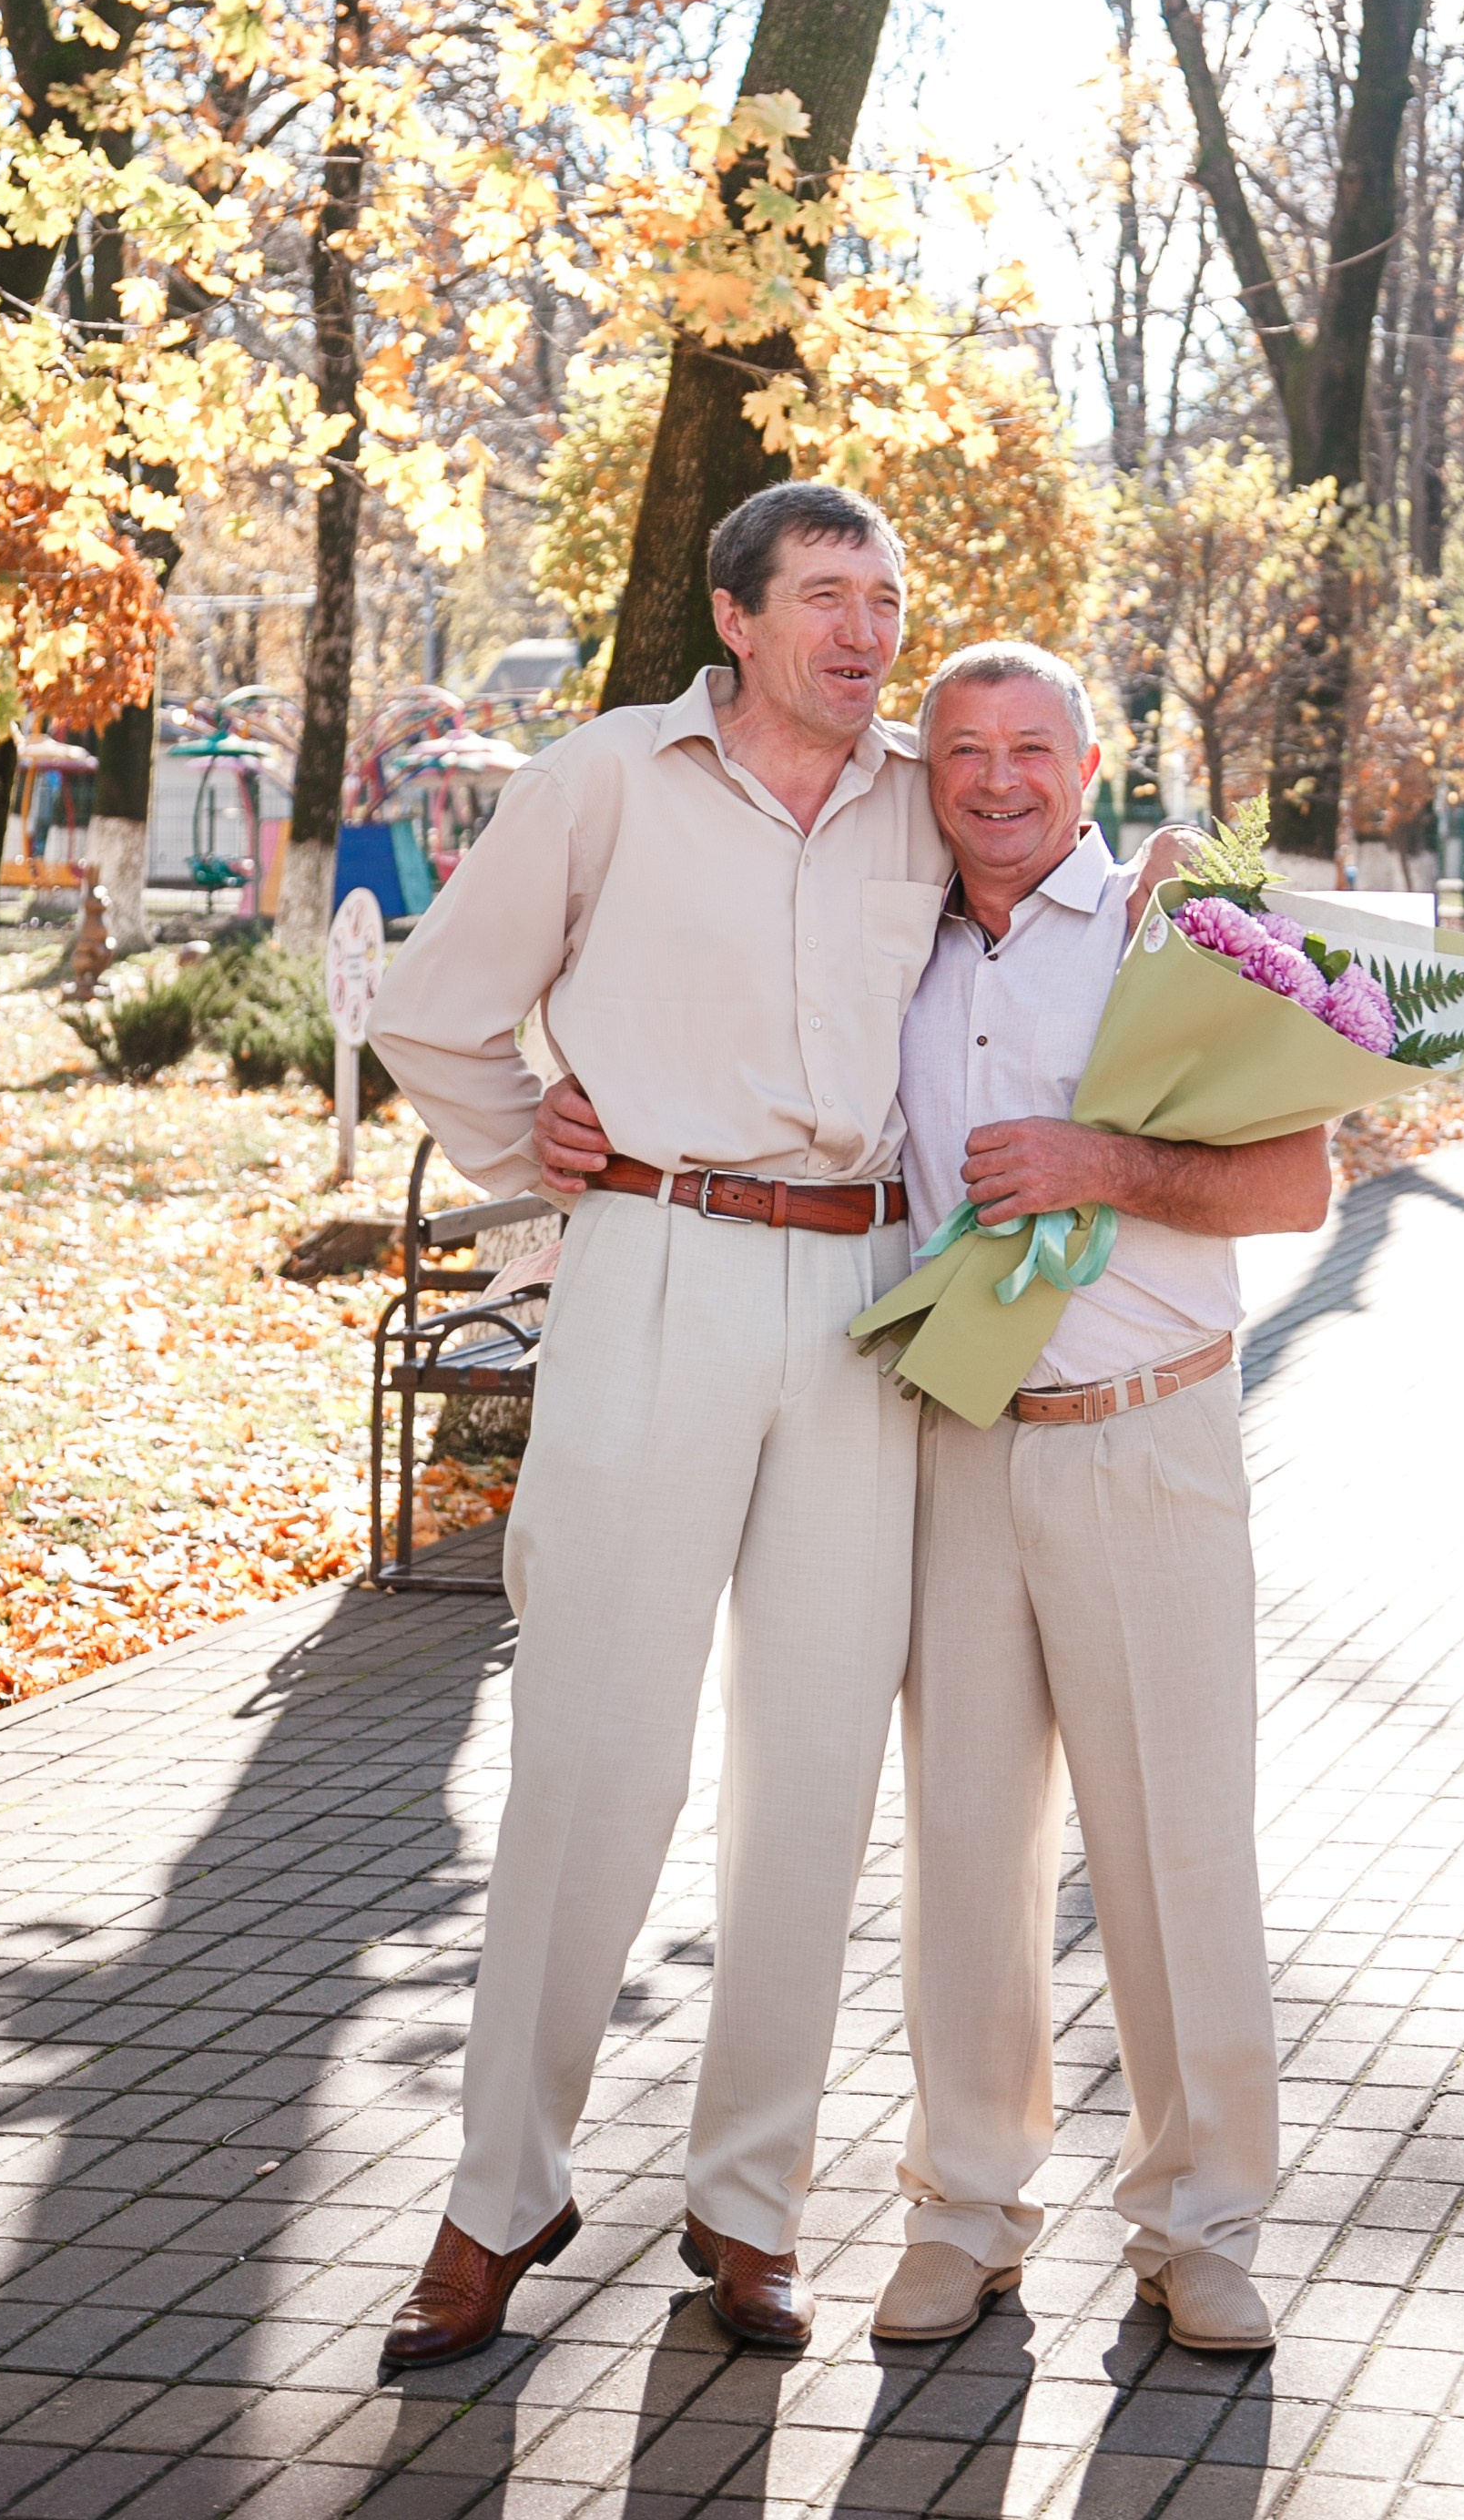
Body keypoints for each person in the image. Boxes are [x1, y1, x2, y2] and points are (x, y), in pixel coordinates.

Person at [367, 479, 950, 2366]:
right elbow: (434, 1006)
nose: (865, 633)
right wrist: (518, 1139)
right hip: (657, 1260)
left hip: (864, 1299)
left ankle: (749, 2200)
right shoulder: (607, 776)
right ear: (736, 614)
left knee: (812, 1770)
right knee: (597, 1742)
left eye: (884, 600)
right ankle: (498, 2189)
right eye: (828, 598)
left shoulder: (922, 796)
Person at [872, 642, 1330, 2359]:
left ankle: (1202, 2223)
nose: (997, 780)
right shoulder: (889, 939)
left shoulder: (1181, 924)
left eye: (1032, 747)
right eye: (964, 749)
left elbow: (1295, 1182)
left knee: (1176, 1847)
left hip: (1149, 1437)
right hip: (956, 1436)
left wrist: (1099, 1165)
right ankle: (965, 2210)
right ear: (928, 769)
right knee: (968, 1848)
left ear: (1090, 760)